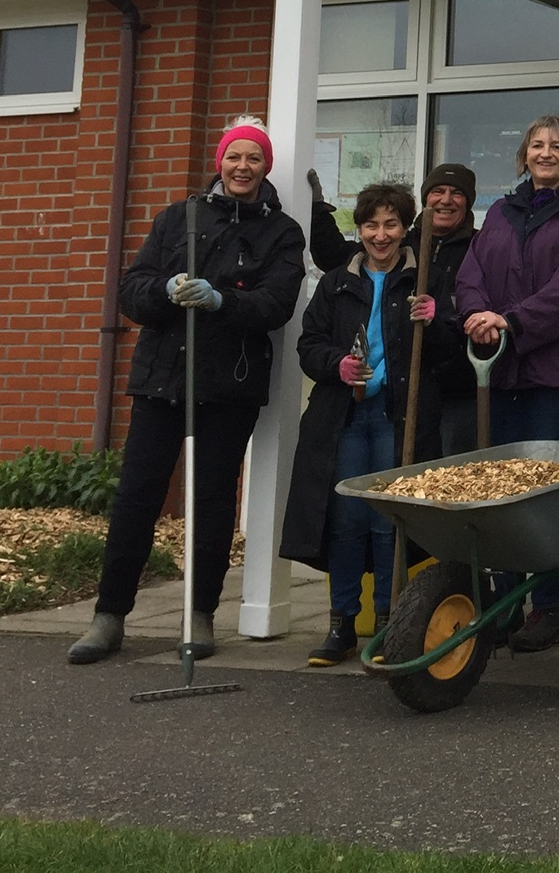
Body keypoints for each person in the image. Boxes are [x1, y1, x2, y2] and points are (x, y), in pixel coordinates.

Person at [67, 116, 306, 665]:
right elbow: (132, 290)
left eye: (254, 158)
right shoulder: (179, 218)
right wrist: (166, 290)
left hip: (227, 387)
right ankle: (109, 616)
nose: (242, 166)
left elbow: (276, 305)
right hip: (161, 381)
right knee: (136, 499)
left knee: (213, 503)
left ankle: (199, 615)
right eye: (234, 157)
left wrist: (223, 300)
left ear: (266, 167)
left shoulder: (282, 232)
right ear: (219, 162)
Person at [455, 113, 559, 652]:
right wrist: (476, 314)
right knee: (498, 487)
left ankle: (547, 610)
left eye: (558, 146)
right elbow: (470, 274)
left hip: (550, 370)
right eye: (537, 145)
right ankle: (503, 604)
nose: (546, 153)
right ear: (524, 155)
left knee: (540, 491)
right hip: (499, 371)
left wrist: (511, 322)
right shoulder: (499, 211)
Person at [281, 182, 434, 665]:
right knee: (345, 520)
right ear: (359, 229)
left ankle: (390, 622)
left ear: (405, 228)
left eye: (391, 224)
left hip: (396, 416)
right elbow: (309, 345)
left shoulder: (420, 279)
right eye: (371, 225)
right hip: (346, 417)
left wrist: (439, 317)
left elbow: (446, 347)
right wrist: (336, 365)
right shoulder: (336, 282)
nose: (381, 235)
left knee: (387, 520)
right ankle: (342, 623)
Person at [309, 162, 482, 452]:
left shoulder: (479, 247)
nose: (446, 200)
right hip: (393, 394)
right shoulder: (400, 247)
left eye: (456, 193)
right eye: (438, 191)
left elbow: (455, 330)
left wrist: (436, 320)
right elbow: (335, 255)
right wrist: (315, 210)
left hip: (453, 388)